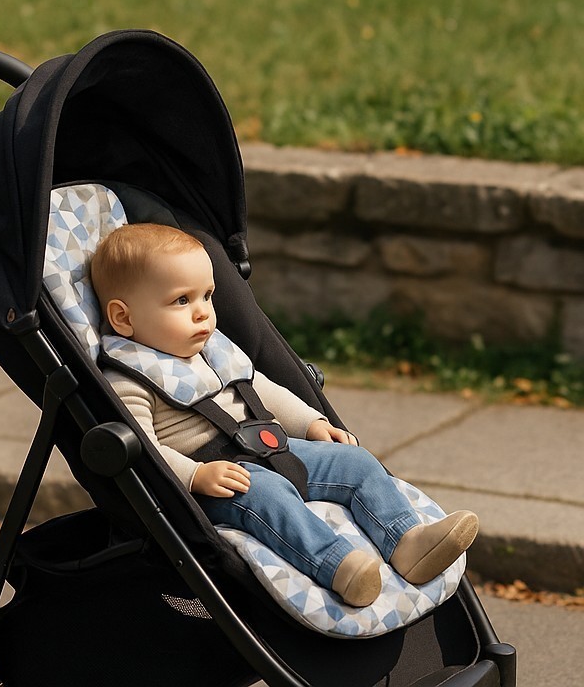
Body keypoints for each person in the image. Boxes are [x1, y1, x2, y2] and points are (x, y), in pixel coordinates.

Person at [90, 223, 479, 608]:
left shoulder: (213, 352)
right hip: (216, 476)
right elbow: (143, 448)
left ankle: (407, 541)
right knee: (269, 494)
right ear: (124, 318)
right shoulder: (128, 379)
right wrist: (195, 476)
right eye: (181, 301)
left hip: (268, 442)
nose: (203, 314)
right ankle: (339, 566)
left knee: (355, 462)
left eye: (207, 296)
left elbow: (262, 390)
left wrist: (312, 423)